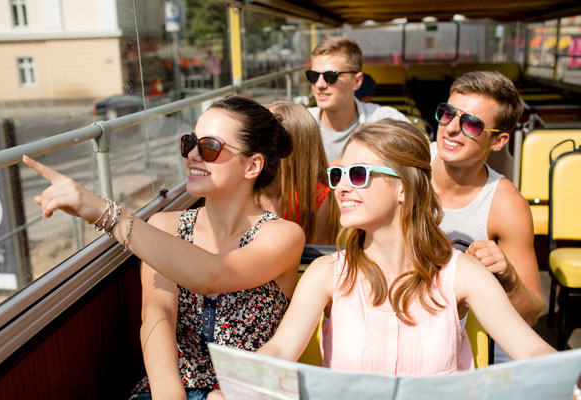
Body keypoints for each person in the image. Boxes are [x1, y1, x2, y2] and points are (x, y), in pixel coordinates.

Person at [207, 120, 554, 400]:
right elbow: (281, 349)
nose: (342, 187)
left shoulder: (460, 272)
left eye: (358, 175)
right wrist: (236, 386)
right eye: (338, 175)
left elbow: (530, 349)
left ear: (403, 187)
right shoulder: (325, 273)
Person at [22, 95, 306, 400]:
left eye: (210, 147)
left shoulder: (282, 235)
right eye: (189, 143)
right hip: (167, 388)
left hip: (245, 394)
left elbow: (215, 274)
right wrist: (170, 395)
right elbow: (157, 317)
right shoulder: (165, 227)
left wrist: (104, 212)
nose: (193, 155)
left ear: (253, 165)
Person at [430, 71, 544, 363]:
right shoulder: (408, 163)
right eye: (447, 114)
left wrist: (508, 277)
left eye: (471, 123)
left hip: (476, 345)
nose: (451, 129)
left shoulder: (506, 205)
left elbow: (531, 313)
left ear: (498, 141)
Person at [306, 36, 409, 164]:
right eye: (313, 76)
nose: (319, 84)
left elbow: (425, 155)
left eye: (330, 76)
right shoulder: (299, 126)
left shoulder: (385, 121)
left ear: (357, 81)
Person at [259, 101, 340, 244]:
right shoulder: (248, 187)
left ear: (290, 150)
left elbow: (318, 253)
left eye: (265, 139)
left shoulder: (318, 196)